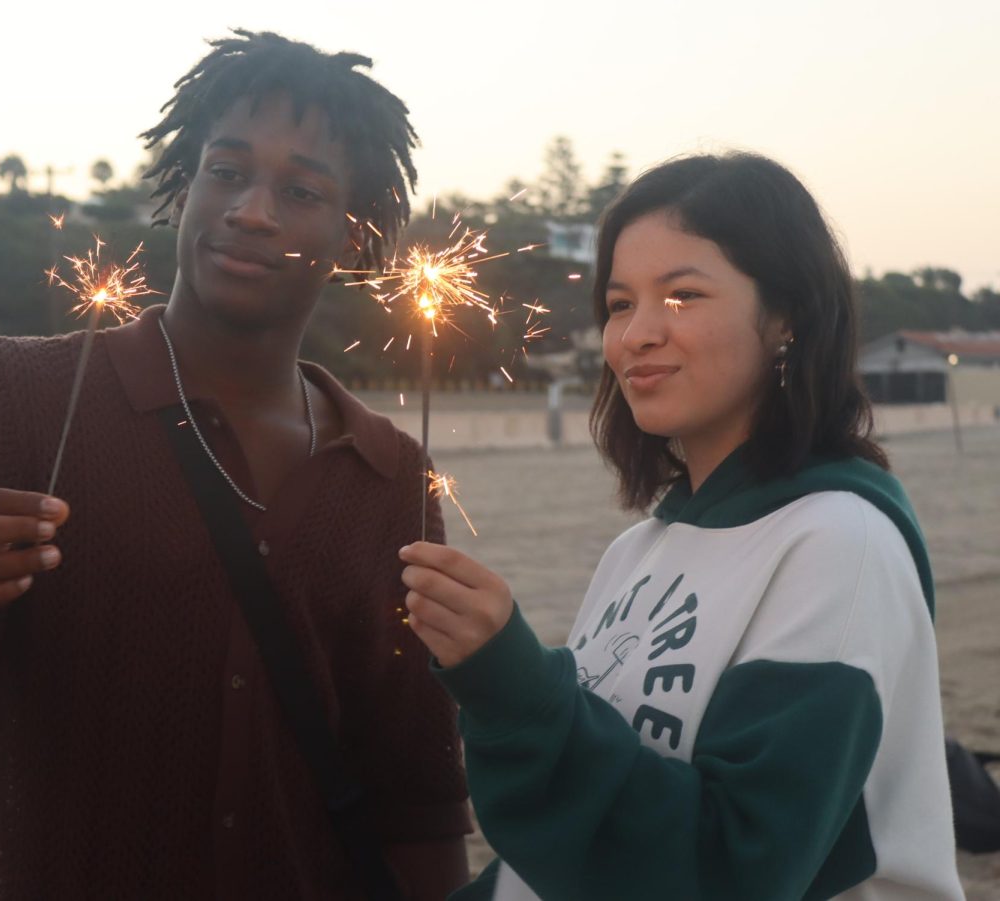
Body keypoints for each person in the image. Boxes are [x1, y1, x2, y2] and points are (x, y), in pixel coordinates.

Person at [0, 30, 470, 900]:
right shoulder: (14, 395)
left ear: (355, 233)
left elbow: (416, 801)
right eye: (227, 170)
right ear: (184, 182)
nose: (252, 209)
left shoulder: (390, 477)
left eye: (302, 188)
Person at [399, 153, 963, 900]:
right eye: (621, 302)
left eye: (684, 295)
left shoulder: (839, 542)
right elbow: (577, 850)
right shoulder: (640, 550)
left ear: (787, 316)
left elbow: (735, 864)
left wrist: (517, 689)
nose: (637, 335)